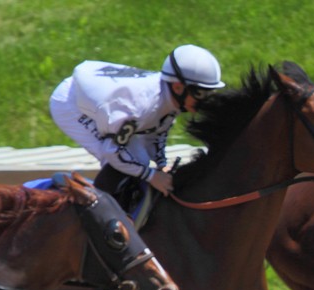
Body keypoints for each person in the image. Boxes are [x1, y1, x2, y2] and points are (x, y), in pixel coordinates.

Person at [48, 44, 225, 212]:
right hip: (70, 104)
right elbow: (113, 152)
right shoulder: (137, 108)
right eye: (201, 93)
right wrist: (152, 176)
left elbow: (157, 132)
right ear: (178, 88)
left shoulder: (171, 97)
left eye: (209, 92)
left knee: (139, 161)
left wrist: (161, 166)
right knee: (121, 163)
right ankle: (97, 214)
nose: (206, 100)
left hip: (106, 102)